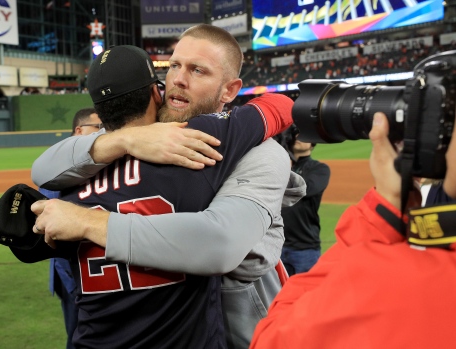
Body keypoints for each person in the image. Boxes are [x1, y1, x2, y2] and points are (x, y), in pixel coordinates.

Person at [32, 24, 304, 348]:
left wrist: (89, 222)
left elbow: (228, 249)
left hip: (243, 327)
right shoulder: (136, 137)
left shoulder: (260, 151)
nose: (178, 79)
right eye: (174, 65)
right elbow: (43, 168)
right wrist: (128, 138)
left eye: (197, 70)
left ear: (229, 91)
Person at [250, 112, 456, 349]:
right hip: (285, 247)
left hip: (306, 248)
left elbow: (274, 338)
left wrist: (382, 210)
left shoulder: (407, 280)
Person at [41, 108, 102, 349]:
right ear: (79, 130)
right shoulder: (60, 164)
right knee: (78, 337)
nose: (103, 132)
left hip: (85, 271)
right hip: (71, 272)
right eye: (98, 127)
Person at [279, 128, 330, 275]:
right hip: (277, 244)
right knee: (279, 295)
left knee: (306, 295)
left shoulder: (319, 169)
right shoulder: (279, 166)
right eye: (296, 135)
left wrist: (286, 171)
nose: (299, 138)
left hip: (305, 247)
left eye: (305, 136)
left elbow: (309, 188)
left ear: (313, 144)